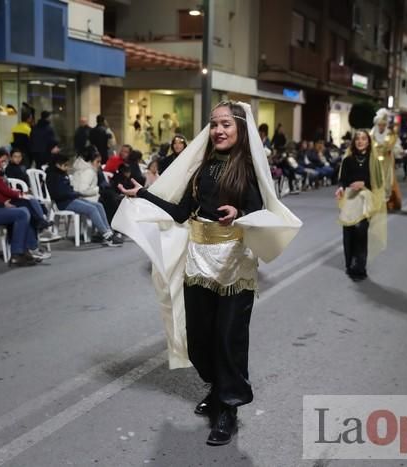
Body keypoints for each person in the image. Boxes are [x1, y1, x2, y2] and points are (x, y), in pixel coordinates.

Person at [112, 101, 301, 446]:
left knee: (229, 338)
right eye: (214, 124)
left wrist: (240, 211)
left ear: (240, 129)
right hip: (199, 262)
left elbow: (262, 207)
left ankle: (228, 408)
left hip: (235, 264)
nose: (219, 130)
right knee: (198, 338)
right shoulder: (202, 168)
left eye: (226, 124)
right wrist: (143, 194)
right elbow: (182, 211)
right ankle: (218, 388)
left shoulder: (249, 167)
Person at [335, 130, 387, 281]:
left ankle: (360, 266)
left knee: (361, 231)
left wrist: (364, 184)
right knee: (348, 232)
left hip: (366, 200)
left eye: (364, 139)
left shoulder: (374, 161)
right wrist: (340, 188)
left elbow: (378, 182)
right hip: (350, 199)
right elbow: (342, 180)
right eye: (357, 139)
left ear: (368, 142)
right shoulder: (348, 160)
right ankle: (349, 264)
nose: (360, 141)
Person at [45, 154, 123, 247]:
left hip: (72, 199)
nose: (67, 167)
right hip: (64, 203)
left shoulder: (62, 174)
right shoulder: (52, 176)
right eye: (65, 165)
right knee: (92, 209)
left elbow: (68, 189)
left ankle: (109, 231)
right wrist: (74, 193)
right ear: (57, 165)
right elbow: (58, 194)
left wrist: (74, 194)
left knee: (98, 205)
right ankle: (107, 236)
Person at [0, 154, 55, 244]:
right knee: (26, 204)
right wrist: (19, 194)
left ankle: (40, 223)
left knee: (28, 203)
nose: (1, 167)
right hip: (4, 201)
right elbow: (7, 191)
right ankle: (40, 223)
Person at [370, 108, 402, 211]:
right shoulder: (372, 134)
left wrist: (395, 150)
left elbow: (396, 146)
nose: (381, 127)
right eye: (379, 125)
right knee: (375, 181)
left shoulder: (390, 134)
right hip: (375, 162)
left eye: (383, 125)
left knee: (387, 182)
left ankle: (385, 202)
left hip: (387, 162)